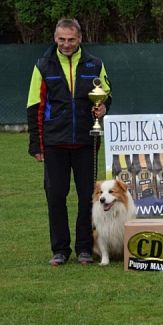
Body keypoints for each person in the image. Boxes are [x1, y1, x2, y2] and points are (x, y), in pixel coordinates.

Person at [27, 18, 112, 266]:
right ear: (55, 38)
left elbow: (106, 93)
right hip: (54, 143)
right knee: (55, 196)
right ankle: (60, 250)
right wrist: (36, 144)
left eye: (71, 39)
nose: (66, 44)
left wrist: (104, 107)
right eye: (61, 39)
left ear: (80, 39)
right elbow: (34, 106)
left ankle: (84, 248)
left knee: (88, 196)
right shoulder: (43, 65)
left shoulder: (95, 64)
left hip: (87, 141)